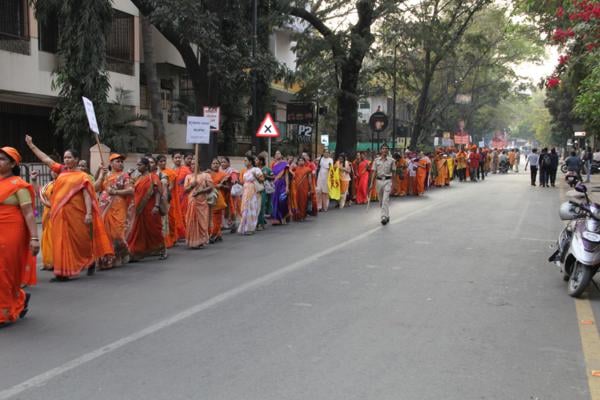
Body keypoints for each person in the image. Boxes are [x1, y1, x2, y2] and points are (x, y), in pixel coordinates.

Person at [25, 135, 113, 280]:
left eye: (69, 157)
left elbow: (87, 196)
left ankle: (89, 259)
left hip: (77, 214)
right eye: (65, 158)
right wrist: (31, 145)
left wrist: (89, 214)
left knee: (81, 241)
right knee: (60, 242)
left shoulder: (82, 176)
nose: (66, 160)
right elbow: (46, 159)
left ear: (76, 159)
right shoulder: (61, 170)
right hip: (59, 214)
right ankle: (62, 273)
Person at [0, 147, 38, 326]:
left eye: (2, 159)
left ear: (13, 164)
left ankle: (4, 313)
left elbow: (29, 213)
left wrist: (34, 238)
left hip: (12, 232)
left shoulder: (18, 185)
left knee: (5, 270)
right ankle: (20, 297)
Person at [95, 154, 134, 268]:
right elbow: (96, 187)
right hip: (103, 207)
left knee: (117, 233)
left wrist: (115, 192)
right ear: (111, 163)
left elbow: (131, 190)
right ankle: (107, 259)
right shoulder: (106, 175)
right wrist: (100, 171)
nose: (121, 163)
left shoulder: (125, 175)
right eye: (118, 161)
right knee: (105, 234)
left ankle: (122, 253)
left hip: (118, 206)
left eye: (122, 161)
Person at [128, 158, 166, 259]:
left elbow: (157, 191)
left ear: (146, 166)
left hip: (151, 208)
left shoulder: (152, 177)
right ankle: (137, 252)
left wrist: (157, 206)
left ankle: (162, 249)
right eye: (137, 165)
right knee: (139, 231)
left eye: (140, 165)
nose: (138, 167)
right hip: (139, 210)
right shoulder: (139, 178)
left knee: (154, 230)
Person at [183, 160, 213, 248]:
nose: (193, 165)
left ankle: (201, 240)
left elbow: (211, 187)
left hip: (202, 201)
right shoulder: (188, 177)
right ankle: (193, 241)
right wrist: (191, 186)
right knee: (191, 220)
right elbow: (185, 190)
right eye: (191, 164)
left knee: (202, 221)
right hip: (192, 200)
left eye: (195, 163)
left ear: (199, 165)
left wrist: (200, 191)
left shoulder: (205, 175)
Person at [158, 155, 185, 248]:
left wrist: (163, 193)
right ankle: (164, 240)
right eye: (161, 161)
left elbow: (171, 186)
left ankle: (173, 238)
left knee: (171, 219)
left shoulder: (170, 172)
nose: (163, 163)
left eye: (164, 161)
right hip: (160, 199)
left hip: (170, 198)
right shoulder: (157, 173)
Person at [238, 156, 264, 235]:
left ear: (250, 162)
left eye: (246, 160)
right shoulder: (245, 171)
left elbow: (262, 179)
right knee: (245, 208)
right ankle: (244, 227)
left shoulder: (256, 170)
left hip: (253, 191)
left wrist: (255, 176)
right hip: (245, 191)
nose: (244, 162)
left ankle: (250, 228)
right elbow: (243, 182)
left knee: (251, 208)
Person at [372, 144, 396, 225]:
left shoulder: (392, 160)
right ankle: (387, 215)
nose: (385, 150)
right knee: (381, 201)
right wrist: (371, 183)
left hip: (388, 181)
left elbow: (394, 172)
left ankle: (383, 217)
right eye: (383, 148)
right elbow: (374, 172)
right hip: (378, 181)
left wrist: (394, 184)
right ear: (381, 150)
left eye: (386, 148)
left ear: (388, 150)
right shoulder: (376, 161)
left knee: (385, 199)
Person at [208, 158, 229, 242]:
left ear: (219, 165)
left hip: (219, 197)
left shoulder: (223, 174)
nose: (215, 165)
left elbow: (228, 187)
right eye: (214, 163)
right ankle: (217, 234)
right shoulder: (208, 174)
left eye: (217, 163)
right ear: (211, 165)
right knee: (210, 217)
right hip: (209, 197)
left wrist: (221, 186)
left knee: (217, 217)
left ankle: (214, 234)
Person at [173, 152, 192, 236]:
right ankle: (178, 233)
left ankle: (186, 232)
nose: (178, 159)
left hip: (185, 194)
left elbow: (190, 181)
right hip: (175, 195)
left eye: (179, 157)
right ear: (172, 159)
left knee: (185, 214)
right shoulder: (171, 170)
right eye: (176, 158)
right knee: (176, 213)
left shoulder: (186, 169)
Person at [292, 157, 313, 221]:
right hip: (296, 188)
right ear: (297, 162)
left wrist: (310, 189)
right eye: (299, 160)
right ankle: (296, 216)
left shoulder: (308, 169)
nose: (301, 162)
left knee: (303, 202)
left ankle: (302, 216)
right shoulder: (295, 169)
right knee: (296, 201)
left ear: (304, 162)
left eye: (302, 160)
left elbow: (309, 180)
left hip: (304, 188)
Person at [271, 157, 290, 225]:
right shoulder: (273, 165)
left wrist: (287, 186)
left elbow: (287, 176)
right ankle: (277, 218)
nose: (277, 155)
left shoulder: (284, 164)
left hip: (282, 184)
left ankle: (284, 215)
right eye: (276, 153)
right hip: (276, 185)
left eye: (278, 153)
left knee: (282, 200)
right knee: (275, 201)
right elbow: (272, 175)